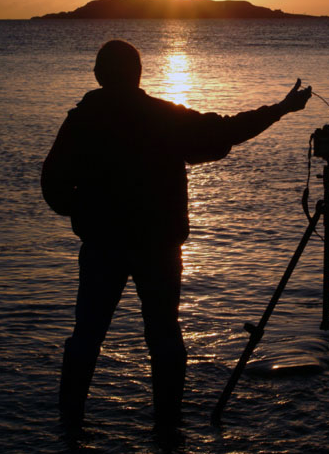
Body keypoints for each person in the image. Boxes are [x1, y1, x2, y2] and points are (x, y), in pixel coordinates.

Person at [41, 39, 311, 429]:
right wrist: (282, 109)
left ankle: (70, 428)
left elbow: (53, 183)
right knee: (163, 336)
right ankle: (167, 427)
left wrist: (80, 210)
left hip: (105, 245)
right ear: (137, 75)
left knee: (87, 337)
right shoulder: (160, 117)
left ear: (99, 75)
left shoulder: (82, 120)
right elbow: (226, 130)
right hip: (156, 245)